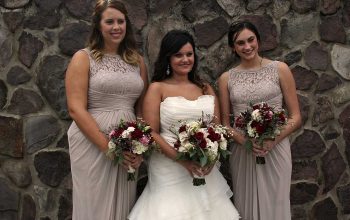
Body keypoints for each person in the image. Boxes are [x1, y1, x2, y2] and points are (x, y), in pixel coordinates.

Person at [128, 30, 240, 220]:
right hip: (168, 165)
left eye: (189, 54)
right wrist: (182, 160)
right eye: (178, 55)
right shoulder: (158, 88)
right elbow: (151, 132)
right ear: (168, 58)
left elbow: (217, 129)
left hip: (202, 165)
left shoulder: (205, 87)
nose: (185, 59)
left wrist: (211, 161)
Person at [65, 0, 148, 219]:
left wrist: (139, 148)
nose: (116, 26)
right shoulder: (83, 58)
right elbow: (75, 109)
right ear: (98, 26)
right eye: (109, 21)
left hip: (128, 145)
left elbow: (140, 111)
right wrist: (110, 148)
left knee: (123, 207)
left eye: (121, 21)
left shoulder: (137, 62)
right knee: (94, 206)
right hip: (93, 142)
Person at [218, 20, 302, 220]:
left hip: (277, 147)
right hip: (244, 150)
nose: (247, 47)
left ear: (258, 40)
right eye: (240, 43)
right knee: (246, 206)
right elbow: (224, 125)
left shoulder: (280, 69)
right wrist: (246, 142)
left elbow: (296, 116)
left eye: (251, 40)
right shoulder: (226, 79)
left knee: (277, 203)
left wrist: (273, 140)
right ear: (233, 47)